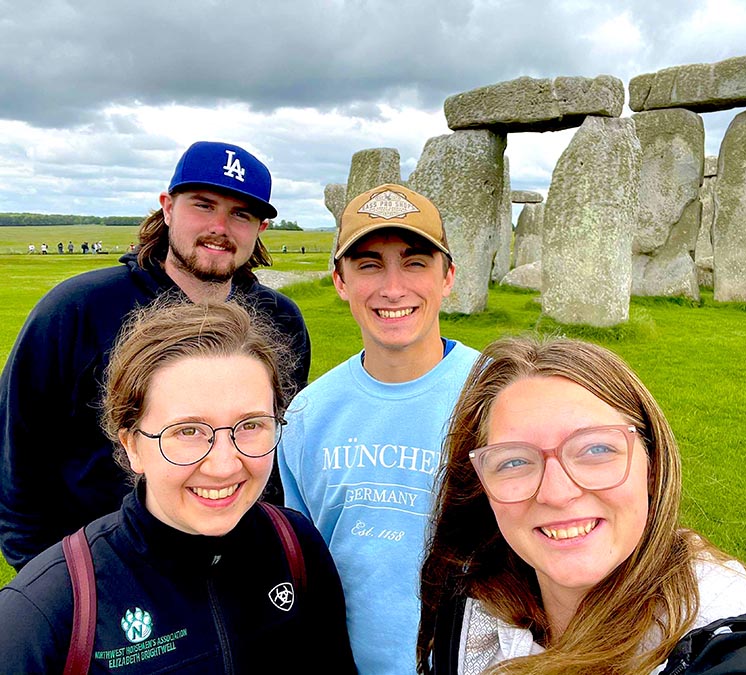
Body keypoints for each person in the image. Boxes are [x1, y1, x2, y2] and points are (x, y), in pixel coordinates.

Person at [417, 335, 746, 675]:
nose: (557, 493)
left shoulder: (724, 638)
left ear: (652, 465)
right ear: (482, 486)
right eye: (514, 461)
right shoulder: (470, 608)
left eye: (596, 449)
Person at [0, 140, 311, 571]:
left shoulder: (280, 321)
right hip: (103, 570)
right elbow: (19, 454)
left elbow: (273, 453)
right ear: (167, 208)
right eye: (203, 205)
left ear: (260, 230)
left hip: (233, 568)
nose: (220, 226)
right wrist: (46, 577)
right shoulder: (78, 309)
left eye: (241, 214)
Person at [0, 300, 356, 673]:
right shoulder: (50, 610)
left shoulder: (296, 546)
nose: (223, 465)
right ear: (132, 445)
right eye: (188, 431)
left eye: (250, 425)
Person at [278, 183, 480, 675]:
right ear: (340, 280)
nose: (393, 288)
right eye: (369, 264)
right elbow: (306, 562)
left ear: (448, 276)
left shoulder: (498, 397)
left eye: (415, 263)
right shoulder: (307, 415)